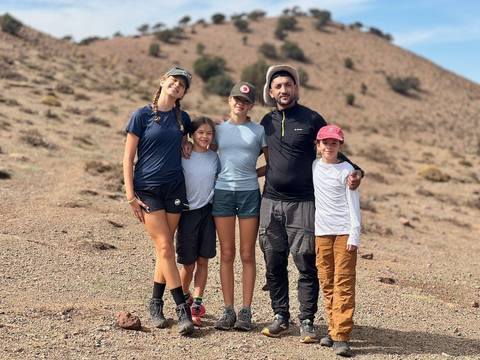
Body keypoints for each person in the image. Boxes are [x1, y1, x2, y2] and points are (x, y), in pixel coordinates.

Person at [259, 65, 363, 343]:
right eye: (278, 86)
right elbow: (247, 154)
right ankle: (281, 316)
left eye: (288, 85)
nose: (284, 90)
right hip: (270, 201)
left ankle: (307, 320)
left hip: (303, 204)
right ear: (271, 91)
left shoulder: (311, 118)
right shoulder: (265, 122)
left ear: (296, 89)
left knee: (307, 263)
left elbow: (335, 149)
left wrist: (357, 172)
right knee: (273, 261)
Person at [123, 65, 194, 336]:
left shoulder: (182, 118)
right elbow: (128, 158)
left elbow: (192, 136)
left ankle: (155, 303)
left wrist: (187, 141)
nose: (177, 86)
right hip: (147, 190)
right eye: (174, 81)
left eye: (182, 85)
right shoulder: (141, 115)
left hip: (175, 189)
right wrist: (130, 196)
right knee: (165, 247)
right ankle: (182, 310)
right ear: (163, 81)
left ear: (183, 93)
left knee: (163, 250)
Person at [212, 82, 268, 332]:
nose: (240, 103)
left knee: (247, 254)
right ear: (229, 100)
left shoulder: (258, 131)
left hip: (248, 194)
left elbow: (272, 162)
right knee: (226, 253)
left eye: (245, 101)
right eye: (236, 99)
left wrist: (252, 174)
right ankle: (228, 310)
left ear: (251, 105)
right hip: (223, 193)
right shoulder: (217, 129)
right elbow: (207, 152)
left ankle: (246, 311)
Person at [313, 124, 360, 357]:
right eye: (325, 143)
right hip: (321, 232)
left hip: (344, 232)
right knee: (327, 281)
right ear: (318, 145)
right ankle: (333, 330)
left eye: (334, 143)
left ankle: (342, 336)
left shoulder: (347, 170)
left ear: (340, 146)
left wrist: (355, 234)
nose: (329, 147)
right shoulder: (314, 166)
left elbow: (354, 205)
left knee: (343, 282)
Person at [176, 116, 219, 327]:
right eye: (200, 133)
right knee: (188, 263)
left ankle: (196, 305)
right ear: (192, 134)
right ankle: (183, 299)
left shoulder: (214, 157)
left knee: (204, 260)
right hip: (187, 213)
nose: (204, 137)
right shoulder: (183, 154)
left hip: (207, 213)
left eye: (209, 133)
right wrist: (184, 143)